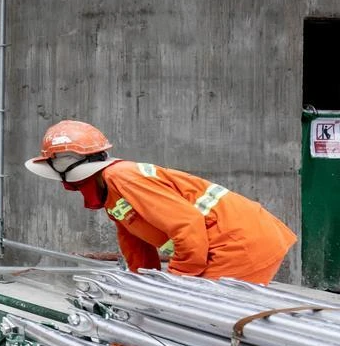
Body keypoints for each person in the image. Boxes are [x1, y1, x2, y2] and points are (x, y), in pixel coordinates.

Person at [25, 119, 297, 283]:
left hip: (240, 244)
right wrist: (144, 283)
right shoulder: (111, 190)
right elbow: (135, 244)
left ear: (69, 165)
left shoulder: (124, 178)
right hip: (234, 241)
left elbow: (187, 224)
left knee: (200, 322)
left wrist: (177, 281)